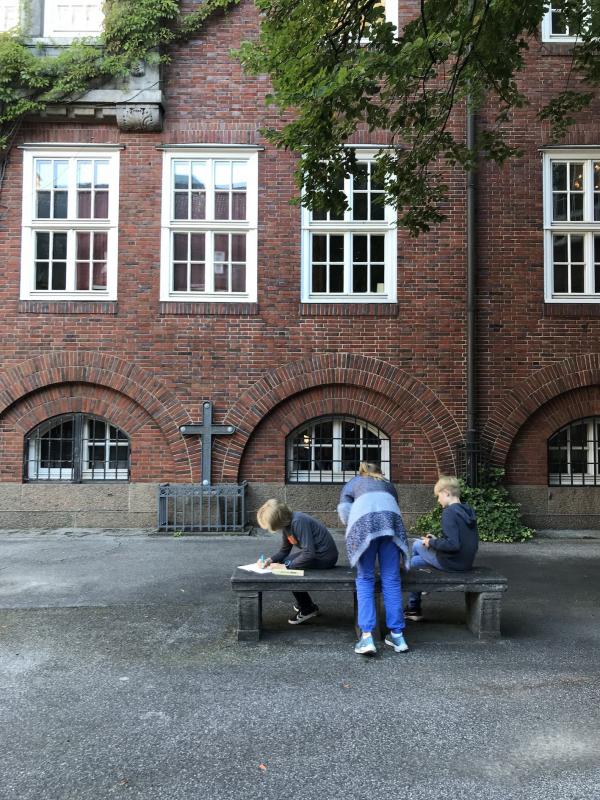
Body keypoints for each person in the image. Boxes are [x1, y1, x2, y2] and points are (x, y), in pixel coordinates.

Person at [337, 462, 410, 656]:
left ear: (362, 472)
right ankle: (397, 636)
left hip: (365, 526)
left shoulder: (354, 482)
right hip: (390, 527)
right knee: (392, 579)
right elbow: (393, 505)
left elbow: (344, 510)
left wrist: (352, 526)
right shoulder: (388, 484)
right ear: (379, 472)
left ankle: (367, 637)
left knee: (365, 578)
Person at [406, 475, 479, 621]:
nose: (438, 500)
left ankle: (414, 608)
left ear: (446, 493)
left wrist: (431, 543)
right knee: (414, 562)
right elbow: (460, 540)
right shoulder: (467, 510)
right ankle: (413, 607)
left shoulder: (449, 513)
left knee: (416, 544)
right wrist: (436, 540)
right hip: (465, 562)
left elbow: (453, 544)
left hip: (451, 562)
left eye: (438, 496)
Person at [255, 499, 338, 624]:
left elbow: (309, 554)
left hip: (325, 557)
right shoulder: (287, 525)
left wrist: (285, 566)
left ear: (278, 521)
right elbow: (284, 551)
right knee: (287, 562)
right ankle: (304, 603)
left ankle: (307, 608)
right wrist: (270, 560)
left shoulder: (298, 522)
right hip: (316, 554)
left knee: (289, 569)